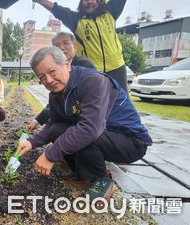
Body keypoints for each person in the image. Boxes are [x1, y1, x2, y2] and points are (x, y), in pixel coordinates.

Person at [16, 46, 152, 200]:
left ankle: (102, 180)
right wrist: (32, 142)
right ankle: (83, 173)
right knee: (57, 130)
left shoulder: (93, 81)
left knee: (84, 133)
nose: (49, 80)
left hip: (129, 141)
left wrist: (50, 155)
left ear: (67, 64)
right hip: (104, 134)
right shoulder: (56, 94)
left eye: (52, 72)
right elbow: (53, 123)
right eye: (42, 77)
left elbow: (90, 129)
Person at [33, 0, 128, 92]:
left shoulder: (110, 12)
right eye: (85, 0)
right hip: (93, 71)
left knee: (122, 102)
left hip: (117, 67)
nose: (89, 2)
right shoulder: (76, 20)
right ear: (81, 3)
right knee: (97, 102)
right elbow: (57, 9)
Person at [27, 32, 95, 132]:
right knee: (54, 130)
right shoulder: (52, 71)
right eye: (57, 45)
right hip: (71, 118)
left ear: (75, 46)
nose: (62, 48)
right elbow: (55, 102)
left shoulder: (85, 65)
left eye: (65, 43)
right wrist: (37, 121)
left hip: (87, 120)